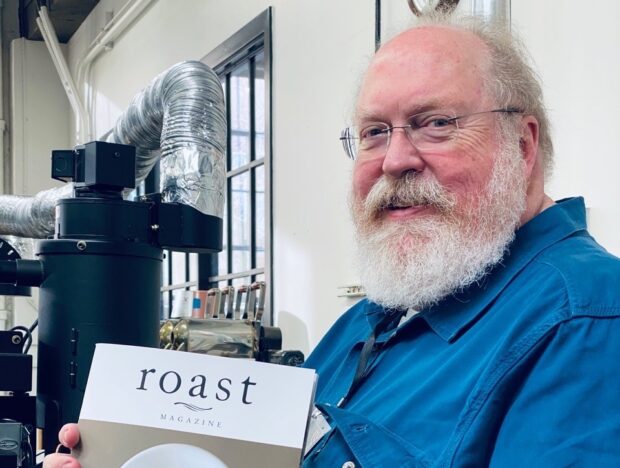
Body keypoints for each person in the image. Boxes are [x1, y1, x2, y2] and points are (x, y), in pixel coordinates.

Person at [45, 11, 620, 468]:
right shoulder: (377, 316)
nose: (395, 160)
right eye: (374, 132)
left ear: (522, 144)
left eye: (436, 123)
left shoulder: (588, 323)